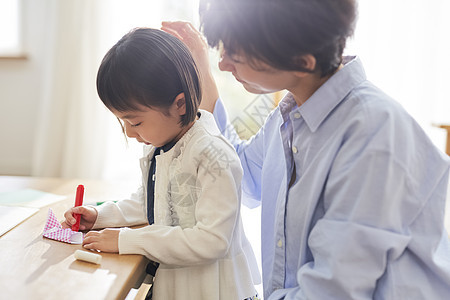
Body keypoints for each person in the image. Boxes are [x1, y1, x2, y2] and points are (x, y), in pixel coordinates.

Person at [161, 0, 450, 299]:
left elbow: (332, 291)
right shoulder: (290, 114)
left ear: (302, 60)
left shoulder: (375, 135)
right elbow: (242, 175)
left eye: (236, 52)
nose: (223, 63)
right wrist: (202, 73)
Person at [61, 27, 260, 300]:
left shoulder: (214, 155)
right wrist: (101, 216)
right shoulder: (165, 143)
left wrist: (125, 240)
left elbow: (212, 241)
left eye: (135, 122)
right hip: (177, 287)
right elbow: (151, 203)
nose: (130, 133)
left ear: (179, 104)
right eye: (124, 123)